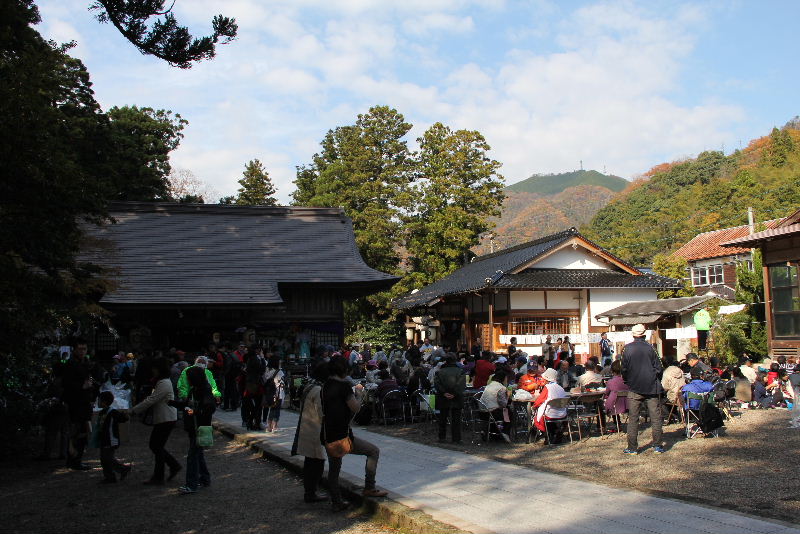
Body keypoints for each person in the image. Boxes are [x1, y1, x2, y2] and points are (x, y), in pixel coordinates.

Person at [322, 355, 388, 512]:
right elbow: (356, 408)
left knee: (334, 469)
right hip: (343, 434)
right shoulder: (343, 386)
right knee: (373, 451)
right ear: (344, 369)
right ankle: (369, 487)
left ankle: (336, 501)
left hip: (327, 432)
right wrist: (358, 393)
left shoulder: (326, 385)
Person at [131, 357, 182, 485]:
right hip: (165, 417)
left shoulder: (164, 383)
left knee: (156, 446)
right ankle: (172, 466)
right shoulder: (162, 382)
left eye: (154, 368)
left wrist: (133, 410)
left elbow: (151, 400)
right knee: (156, 445)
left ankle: (161, 474)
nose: (153, 371)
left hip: (166, 418)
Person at [621, 323, 665, 454]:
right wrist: (654, 378)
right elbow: (659, 368)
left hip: (634, 388)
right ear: (645, 334)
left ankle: (632, 448)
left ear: (633, 335)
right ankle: (657, 446)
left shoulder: (627, 349)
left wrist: (628, 380)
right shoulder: (651, 348)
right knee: (655, 418)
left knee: (633, 418)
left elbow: (624, 369)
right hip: (652, 387)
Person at [61, 338, 103, 470]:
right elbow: (66, 384)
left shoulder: (86, 363)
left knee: (83, 431)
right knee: (76, 431)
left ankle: (77, 458)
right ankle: (73, 459)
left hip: (85, 401)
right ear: (74, 349)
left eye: (84, 349)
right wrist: (81, 386)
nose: (82, 351)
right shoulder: (70, 364)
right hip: (75, 402)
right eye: (80, 349)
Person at [175, 364, 217, 494]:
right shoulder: (195, 389)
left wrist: (195, 412)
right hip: (194, 425)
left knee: (193, 455)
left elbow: (209, 408)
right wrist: (173, 403)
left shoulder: (204, 390)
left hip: (200, 426)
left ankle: (191, 484)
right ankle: (204, 478)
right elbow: (187, 404)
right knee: (198, 454)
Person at [291, 362, 329, 503]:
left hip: (306, 426)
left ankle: (309, 491)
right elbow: (321, 411)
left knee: (309, 462)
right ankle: (311, 492)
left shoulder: (309, 386)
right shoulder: (319, 390)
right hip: (314, 429)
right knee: (317, 462)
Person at [92, 391, 131, 483]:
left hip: (110, 439)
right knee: (105, 458)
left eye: (99, 401)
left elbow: (123, 419)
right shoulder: (103, 412)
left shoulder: (112, 412)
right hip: (105, 439)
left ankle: (112, 475)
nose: (98, 402)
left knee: (107, 458)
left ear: (104, 402)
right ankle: (117, 472)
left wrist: (125, 414)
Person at [532, 368, 569, 443]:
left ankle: (547, 435)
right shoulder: (561, 388)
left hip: (550, 414)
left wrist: (534, 406)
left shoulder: (547, 388)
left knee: (539, 414)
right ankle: (556, 433)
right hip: (562, 414)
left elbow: (539, 400)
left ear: (546, 379)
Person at [434, 354, 466, 444]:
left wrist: (444, 392)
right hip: (457, 397)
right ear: (455, 361)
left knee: (442, 418)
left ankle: (442, 437)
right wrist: (455, 393)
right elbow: (461, 384)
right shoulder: (460, 371)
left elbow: (437, 384)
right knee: (456, 419)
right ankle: (456, 438)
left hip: (443, 397)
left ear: (446, 361)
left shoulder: (440, 371)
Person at [479, 370, 511, 443]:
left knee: (505, 411)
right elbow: (503, 404)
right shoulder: (501, 388)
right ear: (503, 378)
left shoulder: (489, 385)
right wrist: (508, 396)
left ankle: (494, 432)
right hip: (492, 413)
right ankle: (504, 433)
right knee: (508, 411)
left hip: (482, 412)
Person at [242, 347, 267, 430]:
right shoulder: (256, 360)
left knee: (250, 406)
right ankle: (256, 423)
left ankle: (249, 422)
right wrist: (263, 358)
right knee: (258, 406)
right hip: (256, 385)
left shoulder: (249, 359)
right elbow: (262, 370)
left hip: (249, 385)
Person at [603, 361, 629, 430]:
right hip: (628, 405)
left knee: (612, 401)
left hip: (615, 406)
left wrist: (606, 397)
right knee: (615, 400)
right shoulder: (627, 381)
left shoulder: (610, 382)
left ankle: (602, 426)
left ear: (612, 370)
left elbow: (606, 394)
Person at [263, 354, 285, 432]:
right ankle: (275, 426)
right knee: (276, 410)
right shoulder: (279, 372)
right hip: (278, 393)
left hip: (269, 393)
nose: (281, 362)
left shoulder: (267, 370)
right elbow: (280, 384)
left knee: (272, 409)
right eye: (279, 361)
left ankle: (269, 426)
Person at [223, 343, 244, 411]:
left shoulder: (228, 355)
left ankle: (227, 406)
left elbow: (228, 366)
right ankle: (233, 406)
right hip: (234, 375)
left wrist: (225, 373)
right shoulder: (234, 355)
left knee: (228, 391)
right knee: (233, 390)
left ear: (226, 348)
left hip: (229, 375)